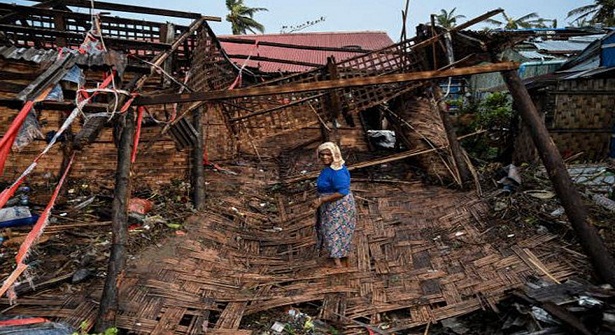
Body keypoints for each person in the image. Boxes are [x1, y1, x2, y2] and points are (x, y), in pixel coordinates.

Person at [311, 142, 357, 268]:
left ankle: (337, 262)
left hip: (338, 206)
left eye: (328, 154)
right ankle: (339, 254)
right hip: (330, 205)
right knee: (333, 230)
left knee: (334, 231)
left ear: (335, 154)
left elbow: (342, 192)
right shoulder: (329, 168)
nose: (325, 157)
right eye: (322, 154)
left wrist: (322, 200)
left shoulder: (338, 171)